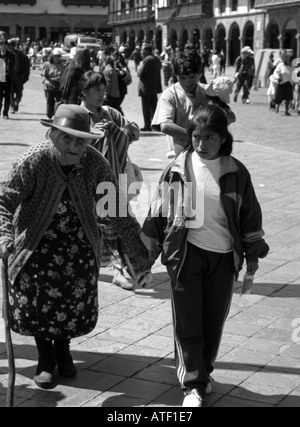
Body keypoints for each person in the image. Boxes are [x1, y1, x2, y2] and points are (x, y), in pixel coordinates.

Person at [0, 103, 152, 390]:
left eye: (80, 140)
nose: (74, 145)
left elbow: (117, 208)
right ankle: (45, 359)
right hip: (36, 246)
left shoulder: (94, 163)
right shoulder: (33, 161)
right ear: (53, 135)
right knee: (38, 303)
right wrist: (4, 235)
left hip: (78, 245)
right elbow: (4, 200)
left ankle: (63, 350)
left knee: (71, 302)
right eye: (67, 137)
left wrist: (139, 251)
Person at [141, 104, 269, 407]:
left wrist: (252, 253)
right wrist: (144, 258)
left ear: (224, 138)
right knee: (187, 322)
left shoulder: (236, 172)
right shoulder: (176, 169)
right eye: (196, 136)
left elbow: (250, 217)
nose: (201, 144)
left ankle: (204, 371)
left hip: (224, 259)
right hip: (185, 256)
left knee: (213, 323)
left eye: (209, 138)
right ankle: (192, 386)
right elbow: (157, 215)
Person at [79, 70, 140, 290]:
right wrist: (90, 134)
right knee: (87, 224)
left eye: (103, 90)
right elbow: (60, 141)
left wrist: (116, 130)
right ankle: (91, 266)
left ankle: (118, 269)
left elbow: (134, 132)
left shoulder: (110, 113)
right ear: (84, 92)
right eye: (96, 90)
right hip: (82, 180)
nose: (101, 94)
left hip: (111, 177)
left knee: (112, 221)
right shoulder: (77, 115)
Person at [152, 51, 235, 160]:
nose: (187, 83)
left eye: (192, 77)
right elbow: (166, 126)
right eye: (182, 78)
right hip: (182, 153)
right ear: (176, 76)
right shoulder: (170, 95)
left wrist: (217, 101)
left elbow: (231, 117)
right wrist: (196, 137)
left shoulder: (208, 91)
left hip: (210, 153)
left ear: (199, 73)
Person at [137, 43, 162, 132]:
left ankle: (147, 125)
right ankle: (156, 125)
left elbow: (140, 73)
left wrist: (139, 69)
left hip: (146, 88)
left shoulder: (147, 60)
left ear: (147, 51)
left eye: (142, 50)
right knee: (154, 107)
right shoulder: (156, 59)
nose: (141, 52)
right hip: (154, 87)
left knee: (146, 108)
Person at [41, 48, 65, 119]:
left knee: (59, 103)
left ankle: (56, 116)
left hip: (59, 87)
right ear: (52, 57)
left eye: (59, 56)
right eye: (56, 56)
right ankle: (49, 115)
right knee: (49, 103)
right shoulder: (47, 65)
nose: (57, 58)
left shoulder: (62, 65)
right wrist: (47, 83)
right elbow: (43, 76)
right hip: (49, 87)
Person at [7, 39, 30, 114]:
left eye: (11, 45)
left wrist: (26, 74)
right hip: (9, 76)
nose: (10, 47)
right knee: (10, 92)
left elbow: (27, 65)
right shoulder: (5, 54)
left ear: (14, 46)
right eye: (9, 45)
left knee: (19, 92)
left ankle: (16, 102)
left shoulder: (20, 54)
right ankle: (12, 106)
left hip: (18, 76)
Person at [273, 50, 294, 116]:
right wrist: (277, 77)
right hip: (281, 83)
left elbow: (295, 75)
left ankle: (286, 110)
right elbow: (275, 73)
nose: (289, 61)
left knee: (288, 98)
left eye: (290, 60)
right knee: (278, 97)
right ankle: (277, 108)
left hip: (289, 84)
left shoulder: (292, 68)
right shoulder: (280, 65)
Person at [0, 39, 14, 119]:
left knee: (7, 97)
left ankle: (5, 113)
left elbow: (12, 66)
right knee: (0, 96)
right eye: (1, 44)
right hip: (0, 77)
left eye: (5, 44)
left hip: (8, 77)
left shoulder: (11, 55)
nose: (3, 46)